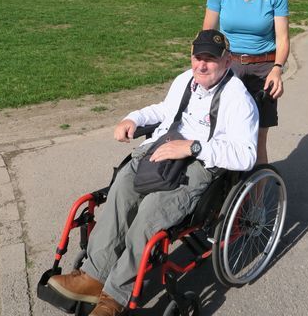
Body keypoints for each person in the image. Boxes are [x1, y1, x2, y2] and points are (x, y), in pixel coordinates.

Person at [47, 30, 258, 316]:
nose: (202, 65)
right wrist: (133, 118)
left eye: (210, 59)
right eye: (198, 57)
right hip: (161, 151)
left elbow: (246, 155)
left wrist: (193, 147)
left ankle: (114, 296)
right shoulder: (186, 79)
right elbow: (163, 110)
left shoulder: (238, 99)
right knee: (121, 189)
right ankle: (93, 276)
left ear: (227, 61)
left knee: (150, 213)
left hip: (199, 164)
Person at [202, 0, 289, 165]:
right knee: (223, 132)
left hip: (264, 70)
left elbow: (282, 38)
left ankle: (258, 200)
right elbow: (208, 32)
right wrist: (204, 66)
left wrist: (277, 68)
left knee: (258, 138)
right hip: (228, 68)